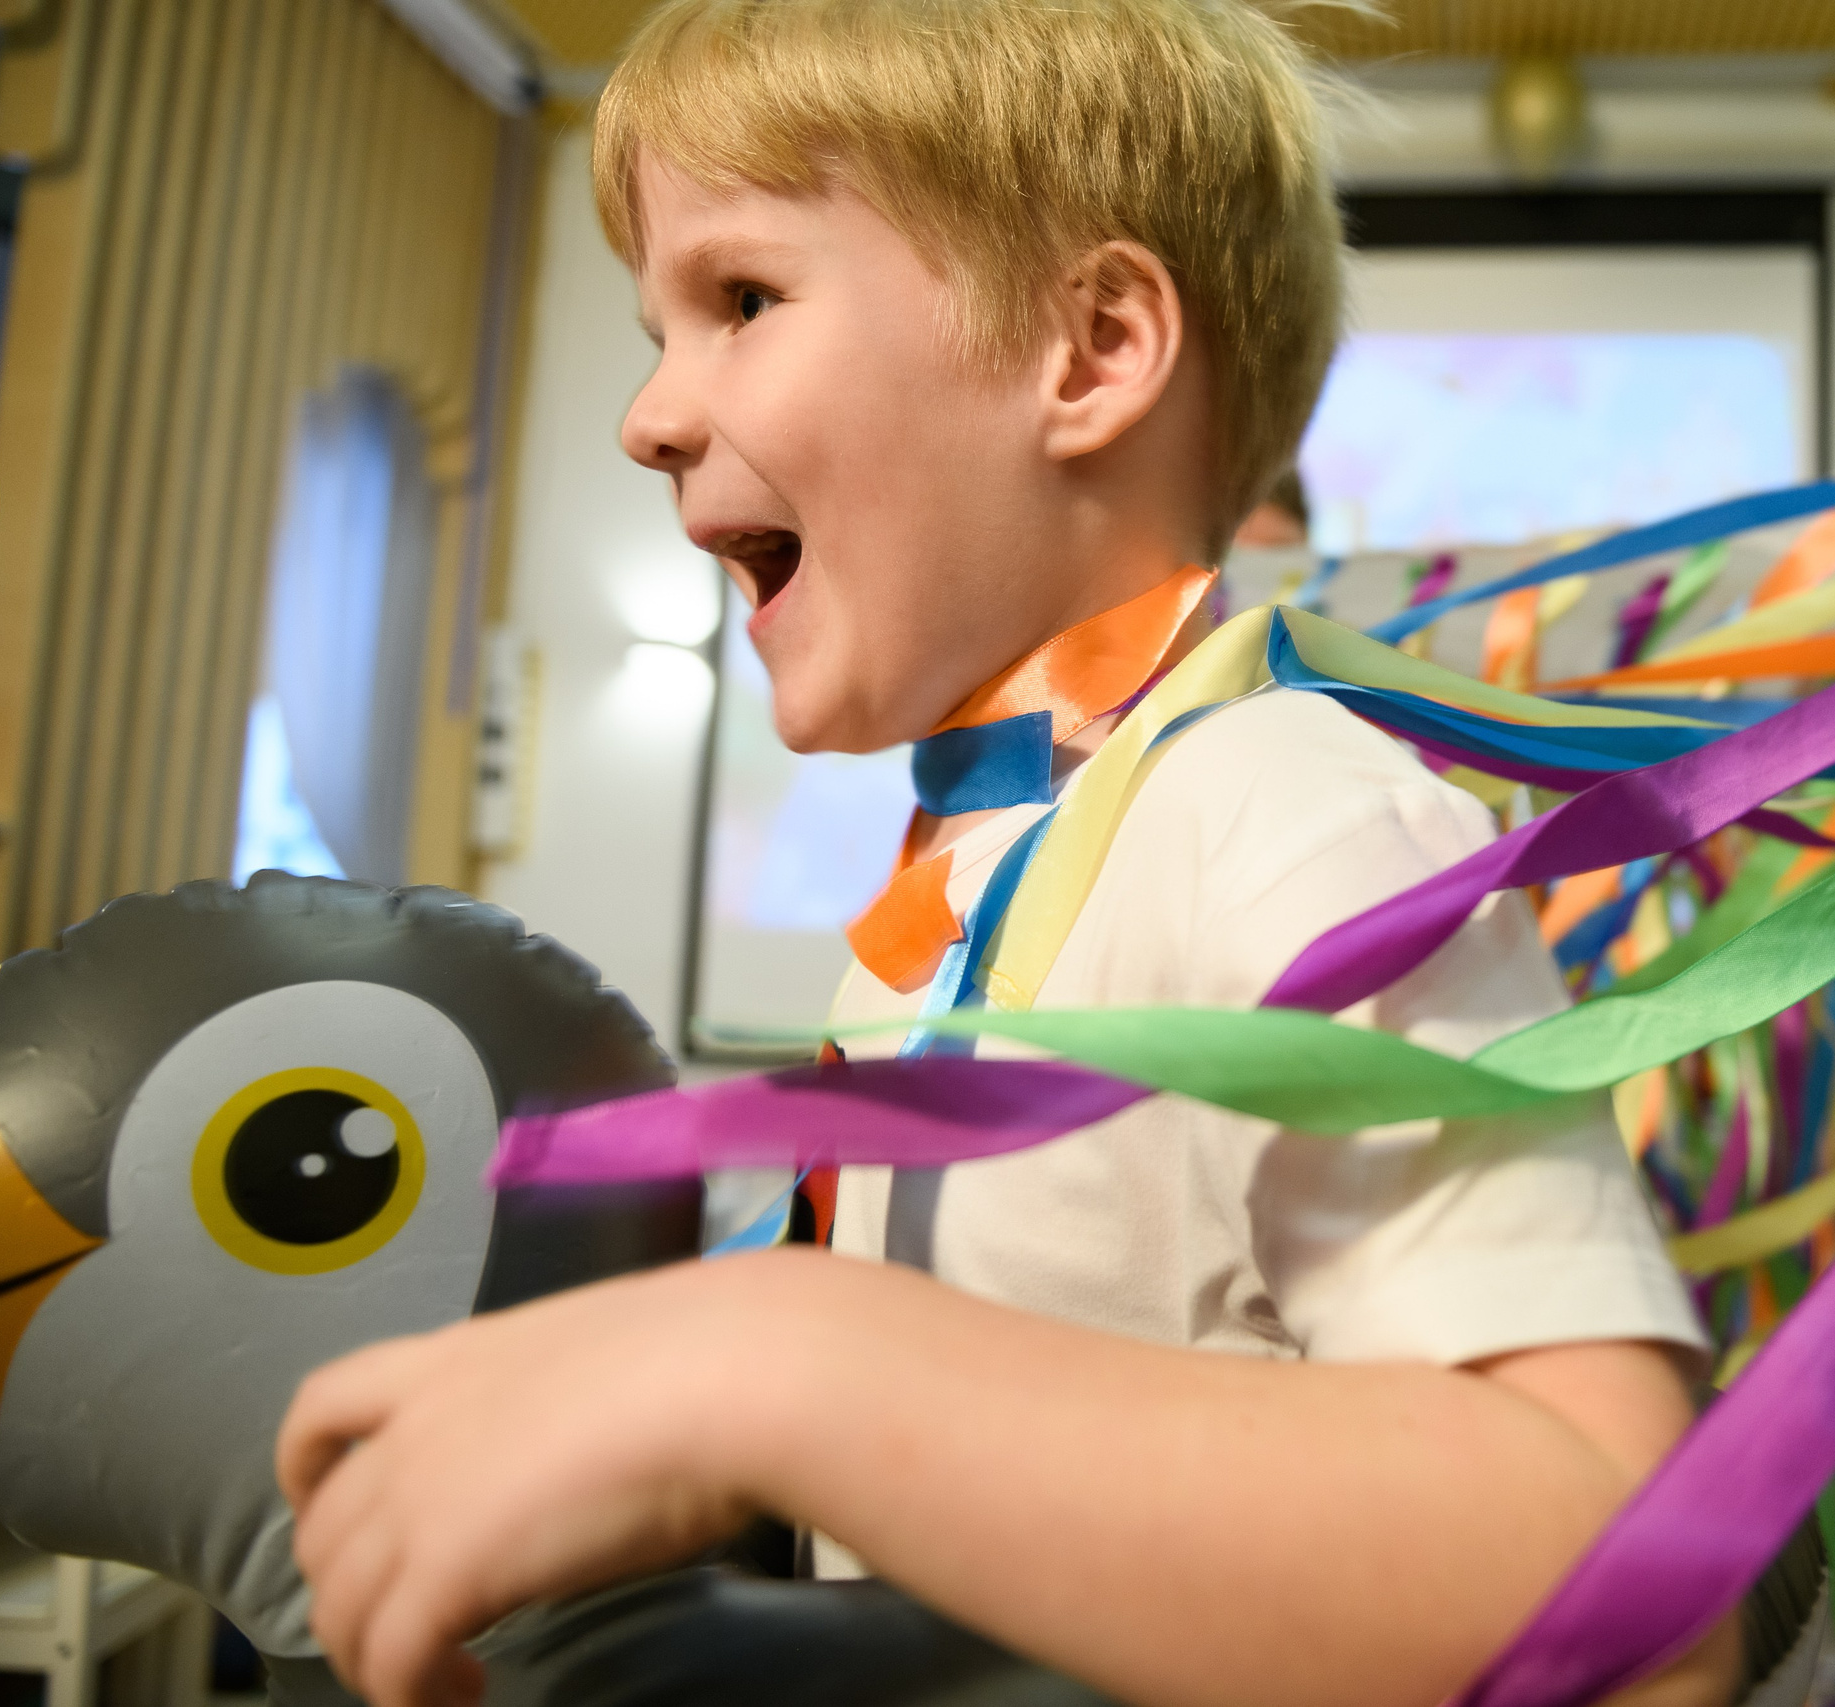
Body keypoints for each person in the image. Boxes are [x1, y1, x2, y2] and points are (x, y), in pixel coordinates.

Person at [274, 4, 1739, 1705]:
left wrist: (780, 1364)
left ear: (1093, 348)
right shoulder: (967, 878)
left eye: (741, 299)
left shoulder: (1283, 810)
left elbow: (1635, 1584)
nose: (649, 417)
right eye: (657, 327)